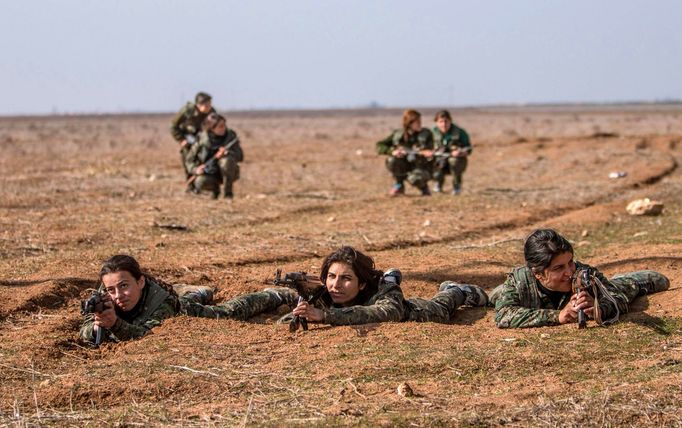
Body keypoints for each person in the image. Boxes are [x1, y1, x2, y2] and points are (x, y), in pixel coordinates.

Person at [185, 246, 488, 325]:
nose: (336, 285)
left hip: (411, 309)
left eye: (345, 278)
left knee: (442, 307)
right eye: (331, 276)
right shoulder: (324, 291)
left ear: (360, 281)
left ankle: (455, 288)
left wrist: (325, 316)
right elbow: (280, 302)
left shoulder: (382, 295)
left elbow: (385, 315)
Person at [490, 229, 670, 329]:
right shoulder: (520, 280)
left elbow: (618, 300)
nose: (569, 272)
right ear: (538, 274)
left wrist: (597, 307)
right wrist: (559, 316)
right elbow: (504, 315)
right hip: (515, 293)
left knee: (657, 280)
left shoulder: (585, 274)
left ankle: (633, 280)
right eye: (558, 268)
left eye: (570, 262)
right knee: (493, 297)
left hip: (615, 285)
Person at [184, 113, 244, 199]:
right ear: (212, 128)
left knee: (226, 161)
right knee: (200, 182)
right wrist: (195, 170)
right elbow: (189, 160)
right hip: (209, 173)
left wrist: (228, 153)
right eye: (220, 126)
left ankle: (228, 193)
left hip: (227, 172)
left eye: (224, 125)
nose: (224, 128)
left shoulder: (230, 136)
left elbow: (240, 156)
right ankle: (215, 191)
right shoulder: (201, 139)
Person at [376, 110, 435, 196]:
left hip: (420, 166)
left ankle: (424, 187)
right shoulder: (398, 134)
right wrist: (393, 151)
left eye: (420, 121)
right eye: (417, 122)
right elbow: (380, 145)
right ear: (409, 123)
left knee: (415, 178)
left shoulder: (426, 134)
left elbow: (433, 149)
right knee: (392, 160)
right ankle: (399, 185)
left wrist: (427, 153)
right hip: (404, 165)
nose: (420, 124)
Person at [169, 92, 216, 182]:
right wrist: (181, 139)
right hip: (187, 138)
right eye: (206, 105)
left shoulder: (212, 112)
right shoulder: (187, 111)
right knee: (188, 158)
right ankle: (190, 182)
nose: (209, 107)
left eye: (210, 104)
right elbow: (173, 126)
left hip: (203, 139)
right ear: (199, 105)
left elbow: (215, 126)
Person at [431, 110, 472, 195]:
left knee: (454, 161)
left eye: (446, 121)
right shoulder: (432, 133)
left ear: (450, 121)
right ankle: (438, 183)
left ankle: (457, 186)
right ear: (436, 122)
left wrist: (460, 152)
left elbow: (468, 149)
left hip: (454, 160)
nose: (444, 124)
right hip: (438, 159)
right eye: (441, 122)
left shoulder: (459, 132)